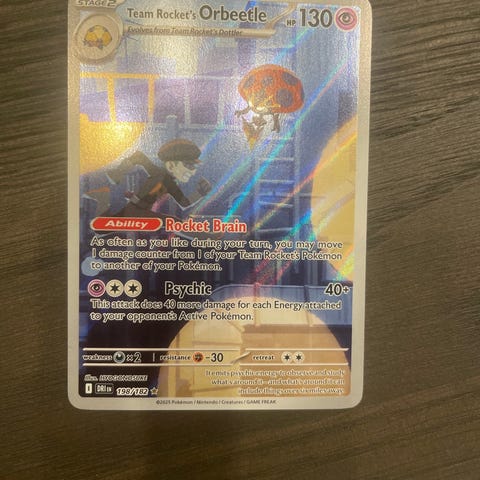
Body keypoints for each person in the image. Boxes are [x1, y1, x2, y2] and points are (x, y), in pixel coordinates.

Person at [106, 138, 211, 217]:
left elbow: (139, 157)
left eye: (194, 167)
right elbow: (139, 156)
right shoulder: (163, 177)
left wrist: (200, 193)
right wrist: (117, 173)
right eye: (189, 165)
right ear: (171, 166)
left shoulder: (164, 179)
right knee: (173, 222)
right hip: (137, 211)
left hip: (138, 210)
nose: (193, 172)